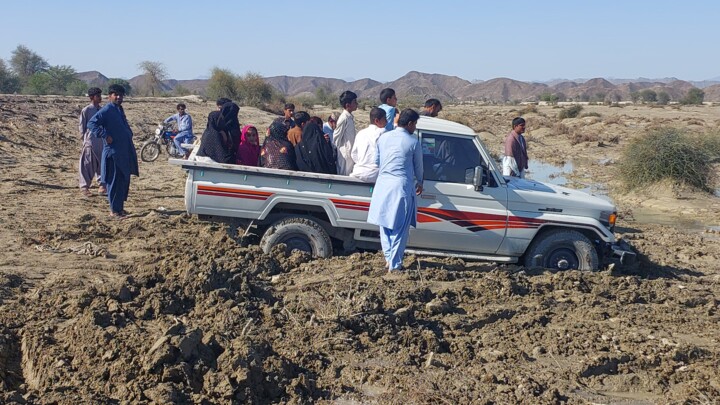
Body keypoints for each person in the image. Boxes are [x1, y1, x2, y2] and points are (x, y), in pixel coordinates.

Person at [367, 109, 424, 272]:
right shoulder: (413, 142)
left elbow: (377, 161)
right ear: (411, 123)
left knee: (384, 225)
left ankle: (389, 259)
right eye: (415, 124)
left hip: (383, 186)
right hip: (401, 187)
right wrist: (420, 182)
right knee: (400, 228)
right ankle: (395, 264)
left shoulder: (383, 138)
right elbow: (419, 168)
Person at [87, 84, 139, 219]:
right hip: (113, 152)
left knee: (122, 180)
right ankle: (114, 211)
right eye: (115, 94)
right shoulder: (108, 109)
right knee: (114, 181)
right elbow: (92, 123)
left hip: (123, 152)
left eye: (121, 95)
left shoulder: (119, 109)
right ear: (110, 96)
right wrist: (104, 135)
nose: (118, 97)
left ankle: (120, 209)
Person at [78, 87, 105, 197]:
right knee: (87, 165)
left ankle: (102, 186)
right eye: (98, 96)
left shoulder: (102, 110)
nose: (100, 98)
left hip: (102, 142)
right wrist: (85, 140)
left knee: (102, 165)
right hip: (90, 141)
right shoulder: (86, 110)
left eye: (100, 95)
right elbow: (82, 127)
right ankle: (84, 187)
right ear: (91, 97)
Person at [349, 107, 387, 182]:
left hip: (358, 172)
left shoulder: (361, 133)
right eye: (385, 119)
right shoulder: (383, 133)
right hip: (375, 174)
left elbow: (354, 154)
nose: (387, 121)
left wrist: (363, 163)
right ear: (377, 121)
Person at [333, 91, 358, 175]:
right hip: (345, 154)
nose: (356, 104)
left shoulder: (349, 117)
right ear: (348, 105)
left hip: (350, 153)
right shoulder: (343, 118)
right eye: (354, 102)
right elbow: (336, 137)